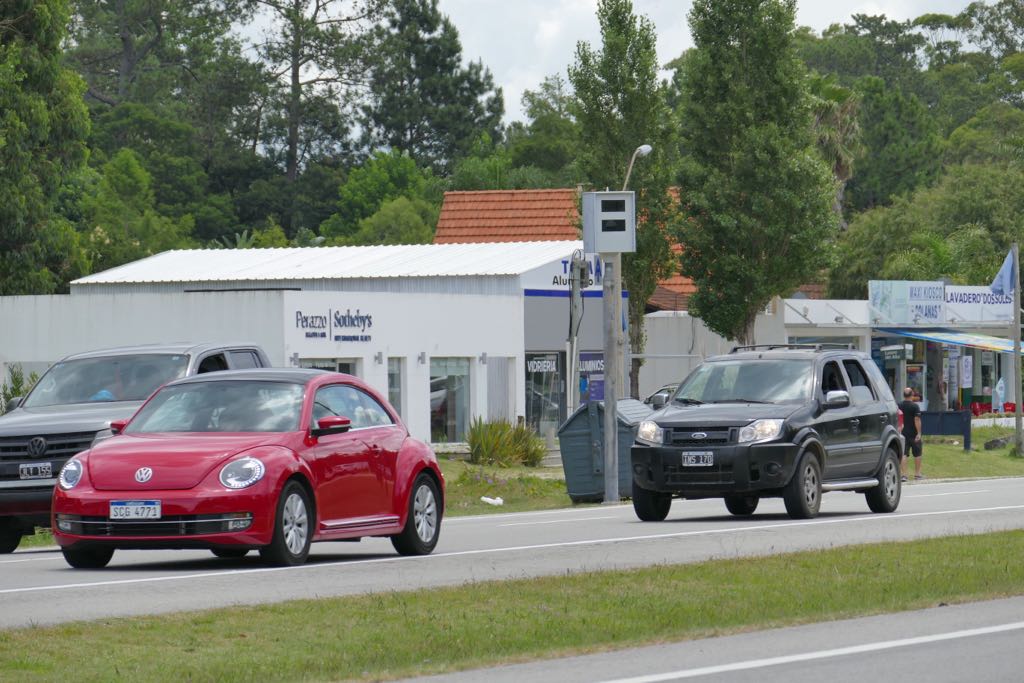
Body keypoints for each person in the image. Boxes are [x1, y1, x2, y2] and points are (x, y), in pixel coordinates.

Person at [899, 387, 924, 482]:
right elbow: (917, 420)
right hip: (913, 434)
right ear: (912, 394)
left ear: (903, 395)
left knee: (904, 453)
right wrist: (919, 433)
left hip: (903, 433)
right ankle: (917, 474)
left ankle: (904, 475)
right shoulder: (915, 406)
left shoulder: (899, 405)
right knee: (917, 453)